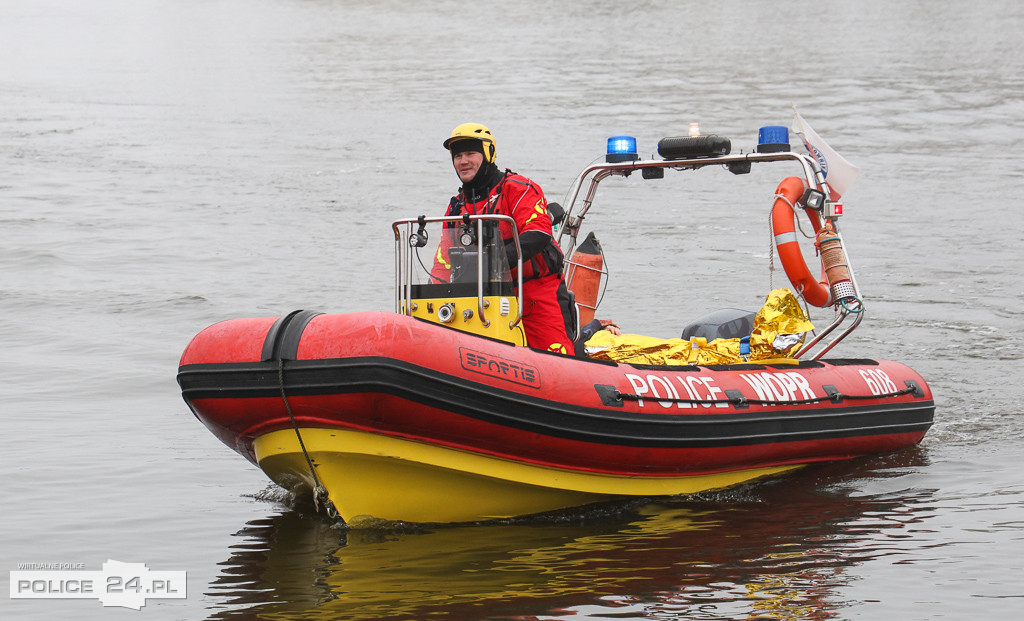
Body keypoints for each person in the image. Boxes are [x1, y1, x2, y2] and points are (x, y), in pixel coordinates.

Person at [432, 122, 575, 355]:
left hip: (534, 294)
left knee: (556, 357)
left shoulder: (517, 189)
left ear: (488, 153)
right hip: (479, 299)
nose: (463, 161)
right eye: (458, 156)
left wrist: (494, 261)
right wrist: (433, 295)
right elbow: (444, 259)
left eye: (470, 153)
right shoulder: (457, 207)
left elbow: (537, 233)